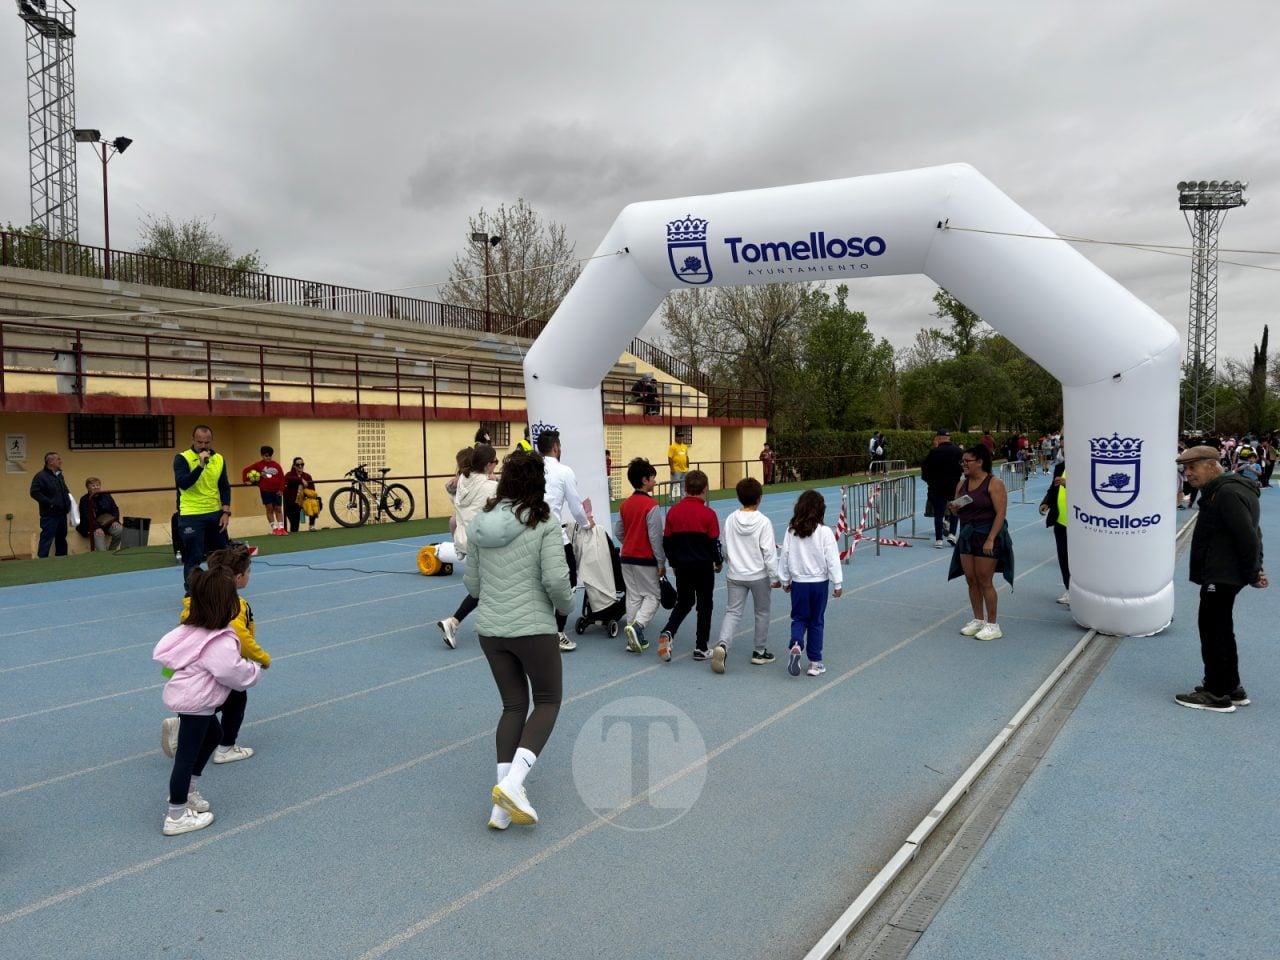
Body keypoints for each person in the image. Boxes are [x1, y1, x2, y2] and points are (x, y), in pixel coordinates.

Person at [463, 450, 574, 829]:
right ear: (537, 484)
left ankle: (501, 806)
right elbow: (557, 581)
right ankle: (513, 784)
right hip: (533, 628)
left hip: (491, 630)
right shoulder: (544, 522)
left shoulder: (480, 522)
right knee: (547, 701)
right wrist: (566, 606)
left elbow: (472, 584)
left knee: (513, 707)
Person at [153, 567, 263, 835]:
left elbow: (171, 659)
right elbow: (231, 672)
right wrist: (254, 670)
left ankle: (188, 790)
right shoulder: (218, 641)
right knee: (185, 758)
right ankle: (176, 815)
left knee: (215, 734)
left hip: (190, 698)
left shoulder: (190, 629)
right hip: (197, 702)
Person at [1174, 446, 1267, 713]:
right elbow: (1253, 532)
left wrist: (1253, 572)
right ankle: (1231, 686)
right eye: (1185, 468)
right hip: (1226, 572)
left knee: (1213, 630)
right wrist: (1255, 568)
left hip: (1222, 574)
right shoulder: (1230, 490)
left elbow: (1248, 536)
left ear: (1213, 466)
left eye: (1193, 467)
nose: (1188, 473)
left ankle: (1216, 693)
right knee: (1222, 629)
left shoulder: (1226, 493)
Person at [162, 543, 268, 762]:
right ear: (238, 577)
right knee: (235, 700)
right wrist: (262, 658)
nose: (249, 576)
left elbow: (183, 627)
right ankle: (225, 746)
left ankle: (185, 725)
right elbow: (242, 637)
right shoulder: (236, 605)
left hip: (187, 662)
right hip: (220, 662)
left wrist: (170, 669)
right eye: (248, 572)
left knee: (202, 697)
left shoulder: (197, 598)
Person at [712, 477, 780, 673]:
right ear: (759, 498)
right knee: (762, 612)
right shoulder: (763, 522)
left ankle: (723, 644)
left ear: (738, 497)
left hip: (735, 574)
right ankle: (759, 651)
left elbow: (724, 545)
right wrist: (775, 577)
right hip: (758, 575)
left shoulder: (731, 519)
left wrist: (729, 561)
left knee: (732, 612)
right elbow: (768, 552)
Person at [655, 469, 722, 663]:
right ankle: (701, 647)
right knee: (705, 605)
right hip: (703, 567)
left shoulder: (673, 512)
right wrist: (718, 561)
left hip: (682, 566)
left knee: (684, 602)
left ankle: (668, 631)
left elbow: (667, 541)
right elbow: (713, 543)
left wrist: (674, 563)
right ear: (705, 489)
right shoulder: (709, 514)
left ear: (684, 488)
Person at [948, 445, 1014, 641]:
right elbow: (956, 510)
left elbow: (1001, 513)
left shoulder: (994, 483)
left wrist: (991, 538)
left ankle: (993, 624)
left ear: (980, 462)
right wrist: (954, 508)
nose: (963, 465)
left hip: (987, 534)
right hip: (967, 536)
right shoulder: (961, 485)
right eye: (962, 461)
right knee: (971, 579)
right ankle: (977, 619)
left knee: (985, 580)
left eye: (967, 461)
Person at [437, 445, 500, 649]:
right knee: (487, 585)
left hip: (464, 539)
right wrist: (495, 481)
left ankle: (483, 622)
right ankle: (453, 622)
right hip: (481, 541)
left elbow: (453, 484)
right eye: (495, 462)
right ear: (488, 465)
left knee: (486, 584)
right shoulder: (489, 487)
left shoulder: (463, 479)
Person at [537, 429, 592, 652]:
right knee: (568, 581)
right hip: (553, 535)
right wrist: (588, 523)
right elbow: (576, 506)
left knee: (536, 583)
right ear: (556, 447)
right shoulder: (563, 471)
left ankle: (538, 629)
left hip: (528, 533)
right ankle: (558, 632)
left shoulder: (531, 469)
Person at [779, 489, 843, 677]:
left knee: (799, 618)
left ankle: (796, 644)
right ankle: (814, 663)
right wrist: (837, 583)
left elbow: (785, 556)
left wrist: (784, 579)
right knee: (816, 622)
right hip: (819, 584)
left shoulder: (791, 531)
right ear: (821, 510)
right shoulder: (825, 532)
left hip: (799, 583)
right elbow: (832, 559)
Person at [616, 458, 667, 654]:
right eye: (653, 478)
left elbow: (619, 531)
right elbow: (655, 538)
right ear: (645, 480)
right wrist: (661, 562)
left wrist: (630, 542)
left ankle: (632, 639)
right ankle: (638, 627)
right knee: (653, 597)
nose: (655, 482)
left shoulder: (625, 504)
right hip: (645, 559)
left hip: (626, 557)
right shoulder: (651, 506)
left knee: (633, 596)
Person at [175, 425, 233, 590]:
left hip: (215, 513)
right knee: (193, 557)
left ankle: (220, 588)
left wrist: (226, 512)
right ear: (192, 440)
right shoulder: (182, 458)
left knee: (221, 555)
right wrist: (200, 466)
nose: (203, 446)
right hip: (191, 514)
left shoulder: (219, 459)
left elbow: (224, 486)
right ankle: (192, 592)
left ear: (211, 441)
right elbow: (184, 484)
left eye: (207, 442)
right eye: (199, 442)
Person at [1038, 439, 1070, 604]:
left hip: (1080, 523)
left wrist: (1068, 483)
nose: (1063, 450)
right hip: (1060, 521)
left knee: (1079, 559)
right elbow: (1053, 489)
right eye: (1062, 447)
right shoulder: (1060, 467)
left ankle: (1083, 592)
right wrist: (1046, 502)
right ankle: (1069, 589)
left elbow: (1091, 490)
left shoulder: (1087, 468)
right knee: (1063, 557)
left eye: (1066, 447)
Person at [921, 429, 963, 548]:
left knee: (939, 513)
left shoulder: (934, 452)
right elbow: (964, 467)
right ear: (949, 438)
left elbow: (925, 469)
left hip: (937, 487)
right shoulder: (958, 452)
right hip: (954, 486)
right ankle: (952, 534)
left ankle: (939, 539)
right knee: (954, 511)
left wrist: (930, 481)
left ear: (939, 438)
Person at [29, 452, 73, 558]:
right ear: (51, 462)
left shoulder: (59, 475)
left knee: (61, 538)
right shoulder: (41, 476)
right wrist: (50, 503)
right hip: (50, 514)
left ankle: (62, 559)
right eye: (58, 459)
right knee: (47, 538)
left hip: (62, 512)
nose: (60, 461)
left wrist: (69, 501)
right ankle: (42, 561)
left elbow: (64, 490)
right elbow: (34, 492)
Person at [242, 445, 287, 535]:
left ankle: (281, 528)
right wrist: (245, 481)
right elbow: (245, 470)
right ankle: (274, 528)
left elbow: (282, 478)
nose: (268, 457)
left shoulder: (276, 465)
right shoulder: (258, 465)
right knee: (269, 508)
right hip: (265, 490)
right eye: (266, 456)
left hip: (277, 490)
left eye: (270, 456)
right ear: (262, 455)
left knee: (278, 508)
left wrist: (281, 489)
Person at [77, 477, 124, 553]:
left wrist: (115, 521)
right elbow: (86, 516)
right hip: (92, 526)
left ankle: (111, 551)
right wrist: (96, 527)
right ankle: (104, 557)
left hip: (108, 523)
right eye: (93, 485)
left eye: (98, 485)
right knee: (99, 537)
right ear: (88, 487)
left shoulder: (107, 495)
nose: (96, 487)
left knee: (120, 530)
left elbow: (115, 509)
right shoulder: (84, 499)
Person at [283, 457, 318, 533]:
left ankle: (311, 525)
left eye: (302, 464)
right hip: (292, 503)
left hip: (304, 501)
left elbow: (312, 490)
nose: (300, 466)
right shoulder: (289, 474)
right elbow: (287, 478)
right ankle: (294, 533)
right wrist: (300, 480)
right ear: (294, 466)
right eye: (298, 464)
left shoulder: (307, 476)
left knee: (316, 502)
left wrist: (307, 495)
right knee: (294, 523)